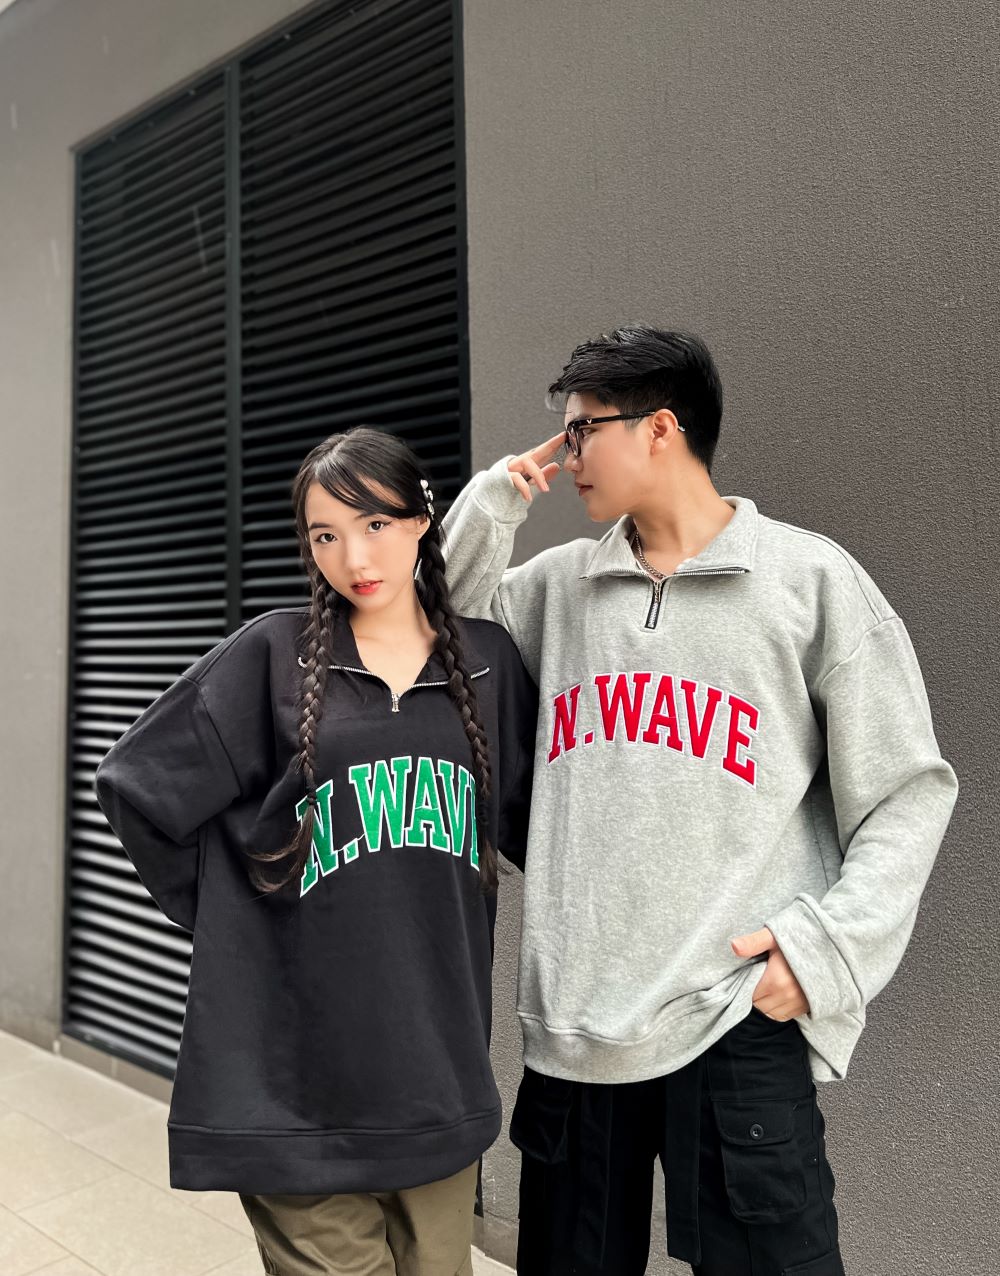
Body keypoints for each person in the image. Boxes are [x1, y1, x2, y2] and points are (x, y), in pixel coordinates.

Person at [440, 325, 958, 1276]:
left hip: (732, 1019)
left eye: (583, 429)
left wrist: (827, 953)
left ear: (660, 428)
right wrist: (493, 505)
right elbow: (432, 633)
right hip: (576, 1032)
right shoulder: (555, 590)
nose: (566, 454)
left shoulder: (807, 582)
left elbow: (907, 791)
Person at [94, 426, 538, 1276]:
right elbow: (136, 786)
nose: (352, 557)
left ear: (422, 521)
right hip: (292, 1087)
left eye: (374, 525)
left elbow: (543, 832)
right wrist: (236, 922)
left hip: (436, 1079)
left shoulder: (488, 665)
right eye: (325, 535)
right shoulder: (272, 653)